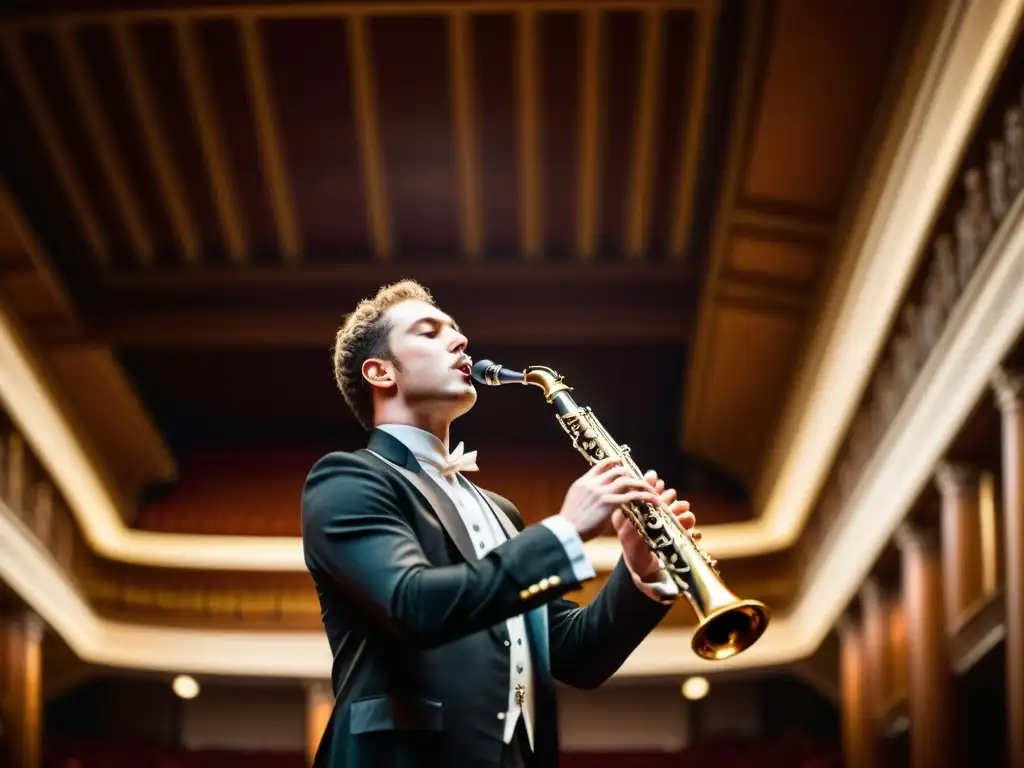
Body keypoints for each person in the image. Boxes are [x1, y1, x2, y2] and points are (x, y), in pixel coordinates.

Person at [301, 280, 698, 768]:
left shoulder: (501, 511)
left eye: (457, 330)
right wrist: (564, 532)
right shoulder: (347, 479)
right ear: (380, 372)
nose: (460, 340)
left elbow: (578, 656)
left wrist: (641, 571)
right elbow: (412, 603)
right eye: (430, 332)